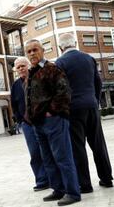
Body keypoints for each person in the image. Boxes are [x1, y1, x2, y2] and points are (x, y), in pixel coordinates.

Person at [55, 33, 113, 192]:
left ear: (61, 47)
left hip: (73, 110)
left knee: (78, 147)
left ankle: (85, 184)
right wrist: (94, 99)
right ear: (75, 43)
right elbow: (98, 82)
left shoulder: (60, 62)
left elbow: (60, 89)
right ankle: (107, 179)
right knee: (98, 144)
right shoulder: (89, 58)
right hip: (92, 106)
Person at [25, 39, 81, 206]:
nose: (32, 53)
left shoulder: (52, 68)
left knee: (63, 157)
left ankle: (72, 192)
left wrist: (51, 112)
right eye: (28, 51)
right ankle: (58, 189)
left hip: (54, 121)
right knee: (48, 158)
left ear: (42, 51)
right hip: (38, 123)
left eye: (35, 50)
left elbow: (64, 92)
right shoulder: (32, 71)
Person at [11, 57, 49, 192]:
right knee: (34, 152)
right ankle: (42, 180)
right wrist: (20, 120)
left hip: (42, 121)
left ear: (28, 66)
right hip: (27, 124)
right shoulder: (15, 85)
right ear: (15, 70)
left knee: (48, 151)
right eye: (18, 67)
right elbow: (14, 105)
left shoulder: (38, 79)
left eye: (23, 65)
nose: (21, 68)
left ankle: (54, 177)